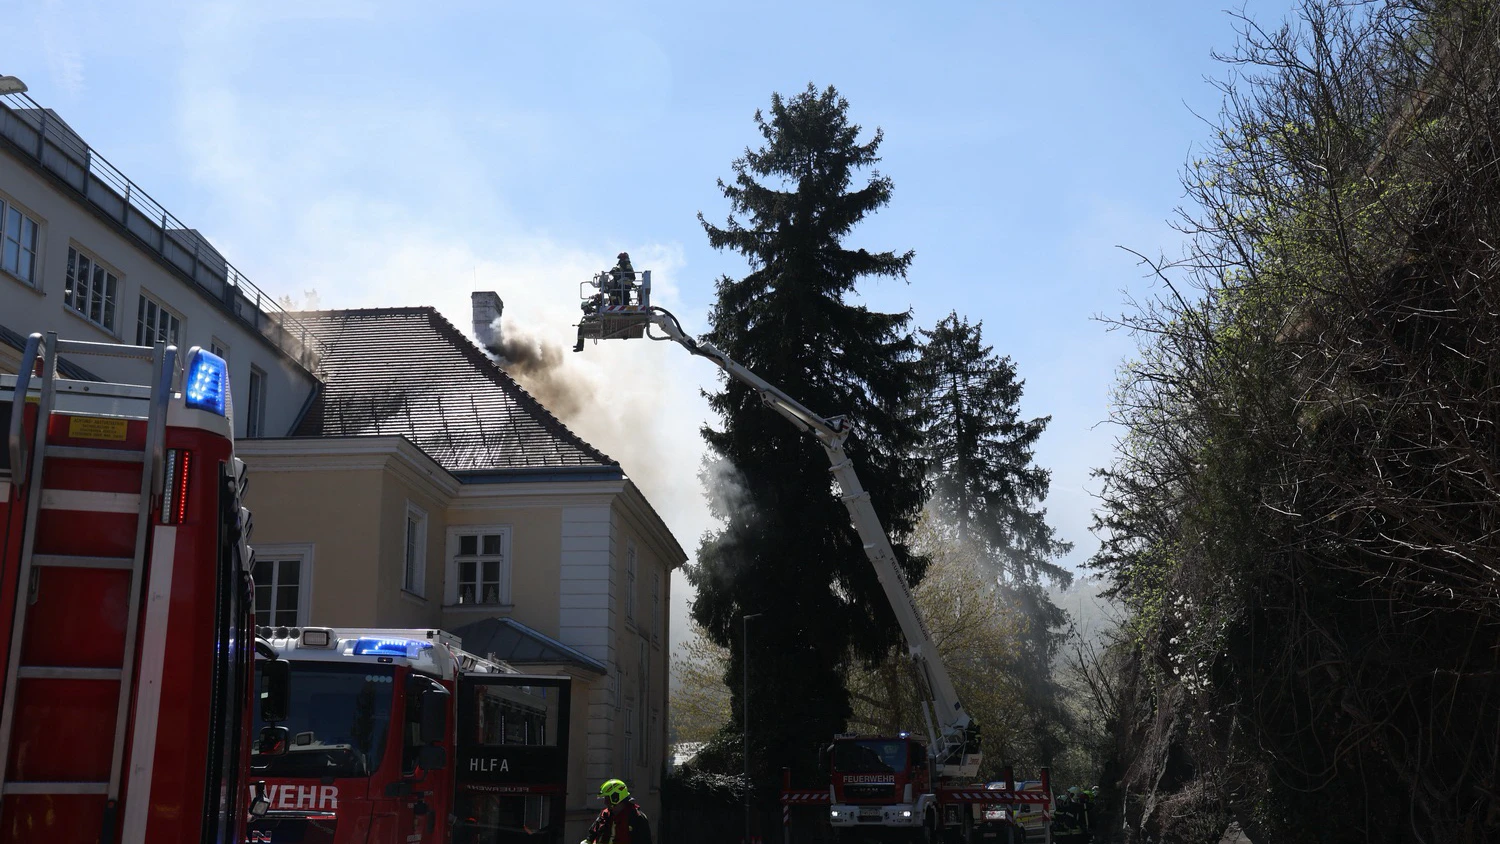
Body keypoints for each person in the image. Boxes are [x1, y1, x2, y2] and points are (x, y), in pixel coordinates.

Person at [583, 779, 652, 844]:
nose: (605, 802)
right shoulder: (604, 815)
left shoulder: (637, 817)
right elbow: (591, 836)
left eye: (607, 799)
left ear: (615, 797)